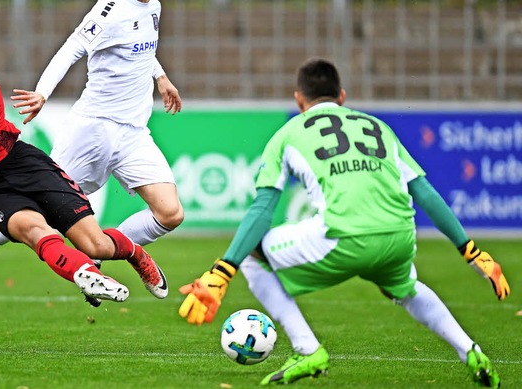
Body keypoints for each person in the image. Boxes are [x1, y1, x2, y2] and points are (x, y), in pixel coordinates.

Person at [178, 58, 510, 387]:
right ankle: (470, 350)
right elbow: (425, 193)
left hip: (341, 236)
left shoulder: (289, 133)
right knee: (406, 289)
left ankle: (307, 349)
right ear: (343, 97)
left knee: (254, 257)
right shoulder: (379, 127)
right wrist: (470, 250)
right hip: (399, 237)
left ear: (299, 100)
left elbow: (263, 208)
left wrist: (222, 271)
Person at [0, 9, 168, 306]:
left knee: (96, 244)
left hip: (18, 162)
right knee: (34, 230)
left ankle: (134, 253)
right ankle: (83, 273)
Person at [0, 0, 183, 301]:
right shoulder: (110, 9)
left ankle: (106, 252)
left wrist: (161, 77)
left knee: (170, 213)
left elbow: (142, 46)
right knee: (40, 213)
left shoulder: (153, 5)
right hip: (90, 133)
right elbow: (74, 46)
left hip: (134, 134)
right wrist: (42, 93)